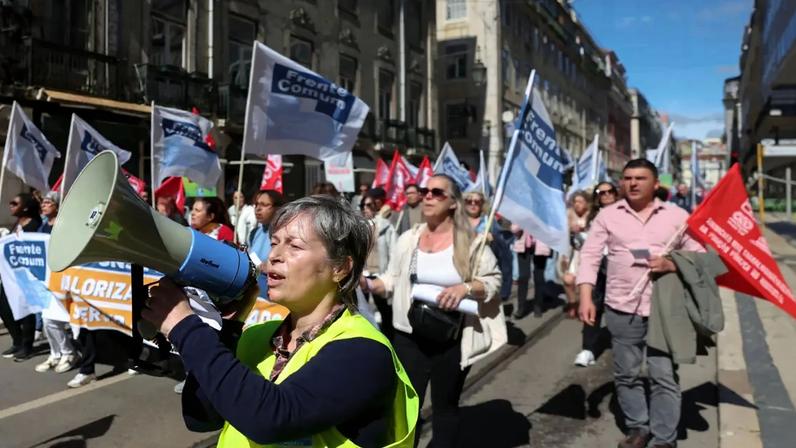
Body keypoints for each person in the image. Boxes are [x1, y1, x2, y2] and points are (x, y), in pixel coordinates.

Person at [142, 195, 418, 447]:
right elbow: (200, 416)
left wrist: (185, 327)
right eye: (274, 243)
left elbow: (272, 418)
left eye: (294, 246)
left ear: (340, 268)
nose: (273, 255)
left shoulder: (364, 351)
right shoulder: (257, 336)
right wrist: (228, 328)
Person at [364, 174, 506, 447]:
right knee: (406, 409)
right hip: (409, 336)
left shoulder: (471, 242)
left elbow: (493, 281)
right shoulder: (408, 239)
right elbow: (392, 280)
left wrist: (464, 288)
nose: (428, 196)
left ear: (453, 203)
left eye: (437, 192)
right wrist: (368, 284)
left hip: (450, 338)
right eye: (425, 191)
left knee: (445, 407)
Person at [577, 159, 705, 448]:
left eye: (640, 178)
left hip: (664, 310)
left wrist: (672, 264)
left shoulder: (676, 215)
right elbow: (590, 256)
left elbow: (700, 255)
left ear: (655, 183)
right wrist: (586, 297)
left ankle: (664, 438)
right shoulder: (608, 216)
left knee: (663, 375)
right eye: (628, 178)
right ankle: (638, 428)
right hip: (622, 308)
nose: (633, 183)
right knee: (626, 373)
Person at [571, 182, 618, 367]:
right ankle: (588, 349)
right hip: (597, 266)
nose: (606, 195)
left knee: (620, 309)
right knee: (594, 306)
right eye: (601, 192)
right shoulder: (592, 217)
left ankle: (624, 346)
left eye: (610, 192)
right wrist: (578, 238)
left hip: (619, 267)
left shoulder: (626, 213)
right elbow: (580, 243)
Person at [34, 191, 80, 374]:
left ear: (57, 206)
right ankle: (56, 353)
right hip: (46, 277)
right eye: (43, 202)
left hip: (63, 278)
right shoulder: (42, 226)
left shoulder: (65, 226)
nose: (44, 205)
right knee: (48, 320)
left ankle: (70, 353)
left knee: (60, 319)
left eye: (48, 202)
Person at [0, 193, 42, 361]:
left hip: (28, 276)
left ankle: (27, 346)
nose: (11, 205)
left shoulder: (34, 225)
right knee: (4, 307)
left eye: (14, 203)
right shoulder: (17, 224)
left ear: (25, 207)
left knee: (26, 311)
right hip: (12, 275)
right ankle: (17, 341)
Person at [463, 191, 513, 302]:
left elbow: (504, 254)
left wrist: (494, 239)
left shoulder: (489, 222)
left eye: (477, 201)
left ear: (482, 204)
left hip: (483, 271)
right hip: (463, 271)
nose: (473, 204)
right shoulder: (458, 222)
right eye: (469, 201)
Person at [360, 191, 396, 338]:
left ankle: (389, 338)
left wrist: (390, 272)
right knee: (362, 310)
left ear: (375, 206)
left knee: (385, 310)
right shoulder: (359, 227)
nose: (365, 208)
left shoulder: (386, 226)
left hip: (380, 275)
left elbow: (394, 251)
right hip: (363, 274)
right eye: (362, 205)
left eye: (368, 205)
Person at [248, 190, 285, 296]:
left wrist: (269, 266)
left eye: (264, 205)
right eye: (256, 204)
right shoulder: (254, 233)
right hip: (253, 290)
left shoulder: (284, 233)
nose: (258, 209)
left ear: (278, 208)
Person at [511, 224, 553, 319]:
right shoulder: (522, 210)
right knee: (523, 277)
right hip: (523, 244)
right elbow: (514, 229)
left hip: (542, 244)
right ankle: (521, 307)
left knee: (539, 277)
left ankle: (538, 305)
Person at [562, 191, 591, 310]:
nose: (577, 204)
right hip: (574, 252)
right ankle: (572, 303)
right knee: (568, 280)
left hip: (589, 253)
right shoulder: (569, 213)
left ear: (587, 203)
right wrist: (570, 229)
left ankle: (585, 305)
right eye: (575, 202)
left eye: (580, 201)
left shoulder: (592, 214)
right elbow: (562, 232)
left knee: (585, 282)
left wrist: (586, 229)